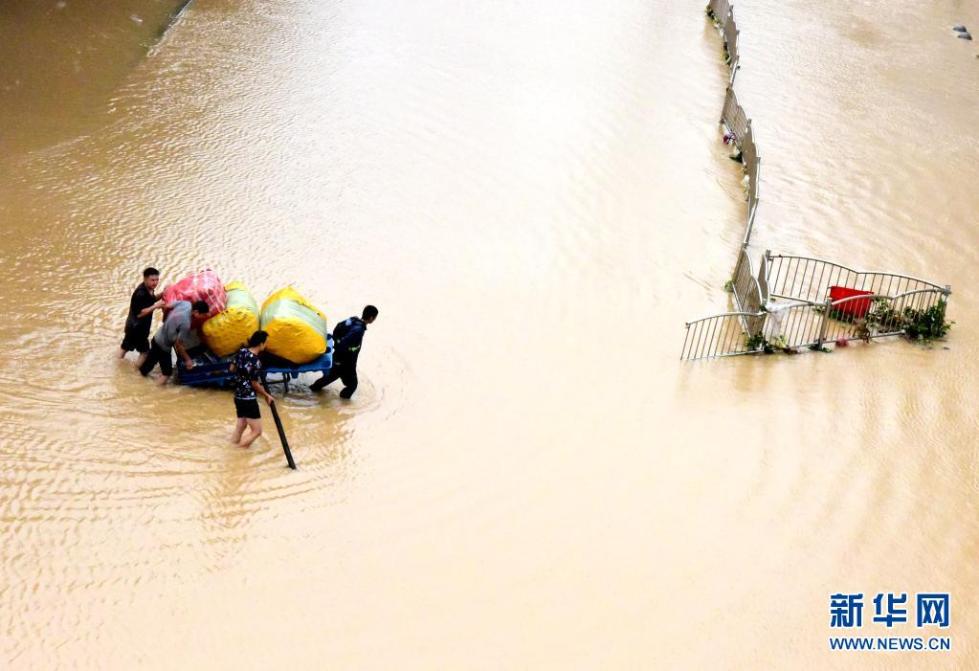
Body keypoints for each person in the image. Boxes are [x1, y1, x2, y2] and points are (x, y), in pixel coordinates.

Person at [310, 305, 378, 398]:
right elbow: (344, 343)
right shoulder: (359, 330)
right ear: (371, 318)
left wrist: (337, 343)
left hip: (338, 359)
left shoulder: (353, 320)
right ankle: (344, 405)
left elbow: (337, 327)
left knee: (329, 377)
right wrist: (343, 351)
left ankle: (312, 390)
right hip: (346, 363)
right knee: (352, 385)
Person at [139, 300, 210, 384]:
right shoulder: (186, 323)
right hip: (163, 347)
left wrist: (165, 319)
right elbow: (179, 345)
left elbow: (167, 306)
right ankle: (152, 390)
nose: (204, 317)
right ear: (196, 312)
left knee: (145, 368)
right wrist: (188, 360)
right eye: (203, 315)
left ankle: (139, 380)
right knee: (167, 373)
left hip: (157, 337)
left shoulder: (186, 304)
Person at [230, 330, 276, 448]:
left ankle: (231, 446)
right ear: (260, 344)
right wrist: (266, 395)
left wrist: (242, 375)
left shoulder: (242, 352)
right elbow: (254, 384)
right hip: (248, 398)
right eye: (265, 343)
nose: (266, 346)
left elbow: (232, 368)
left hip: (238, 395)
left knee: (241, 425)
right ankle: (237, 451)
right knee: (257, 431)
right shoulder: (256, 362)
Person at [119, 267, 165, 366]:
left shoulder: (149, 289)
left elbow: (151, 300)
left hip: (132, 326)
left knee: (124, 348)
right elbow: (140, 313)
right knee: (144, 353)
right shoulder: (141, 294)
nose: (155, 282)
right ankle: (135, 373)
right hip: (137, 329)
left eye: (157, 280)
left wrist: (162, 294)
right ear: (145, 279)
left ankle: (117, 366)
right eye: (152, 280)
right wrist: (156, 306)